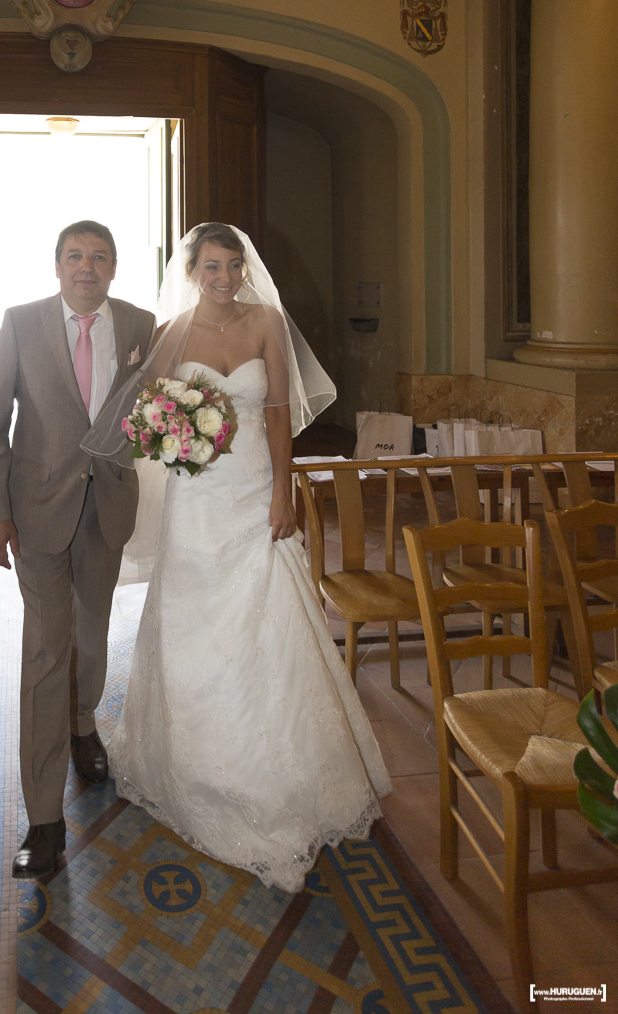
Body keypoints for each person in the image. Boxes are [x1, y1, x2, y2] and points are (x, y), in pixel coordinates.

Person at [85, 221, 391, 892]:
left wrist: (283, 491)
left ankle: (279, 767)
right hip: (198, 499)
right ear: (192, 271)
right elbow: (146, 411)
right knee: (196, 623)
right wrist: (174, 439)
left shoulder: (265, 323)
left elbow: (278, 413)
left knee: (267, 619)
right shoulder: (173, 334)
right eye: (212, 266)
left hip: (255, 489)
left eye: (232, 265)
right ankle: (196, 764)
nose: (223, 277)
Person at [0, 221, 156, 879]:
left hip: (106, 508)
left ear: (113, 267)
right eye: (75, 256)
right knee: (47, 653)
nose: (87, 266)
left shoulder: (140, 326)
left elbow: (149, 413)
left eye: (99, 256)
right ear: (57, 267)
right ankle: (44, 818)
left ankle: (83, 725)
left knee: (91, 634)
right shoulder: (21, 323)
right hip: (38, 511)